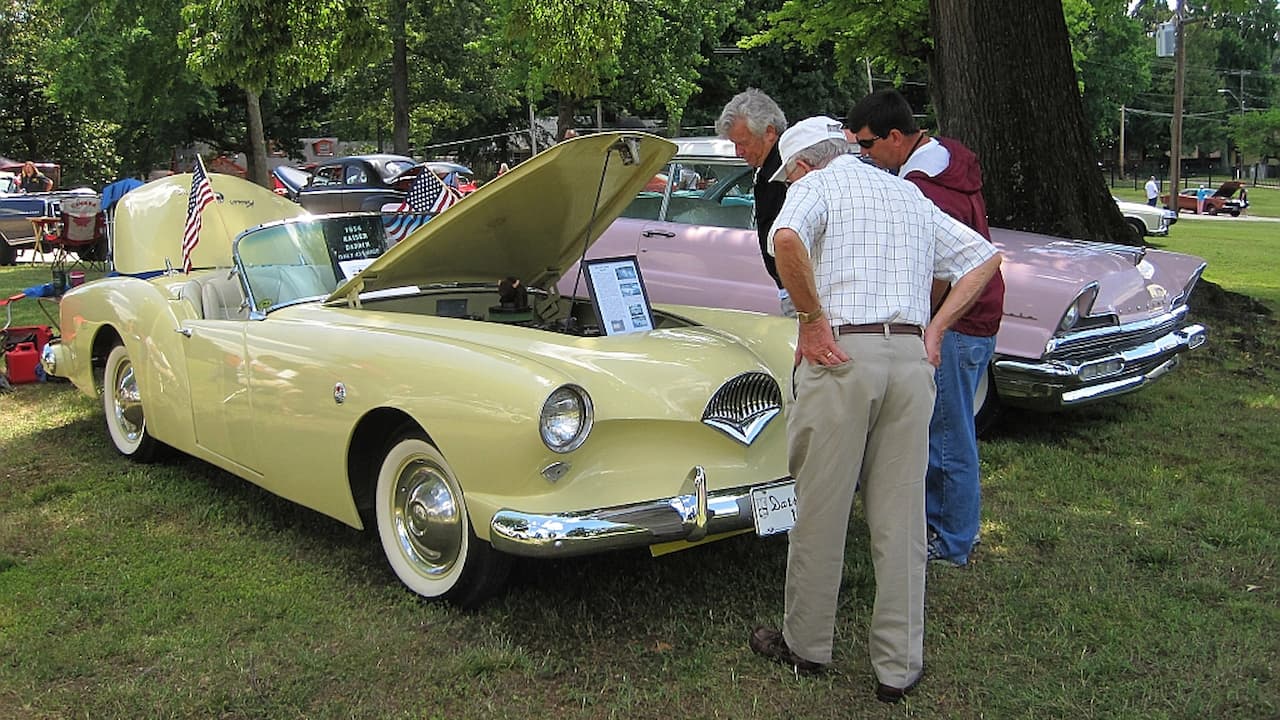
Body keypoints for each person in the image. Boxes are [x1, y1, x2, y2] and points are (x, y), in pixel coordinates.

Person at [747, 116, 1001, 703]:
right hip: (910, 361)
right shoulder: (907, 192)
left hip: (841, 356)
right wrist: (935, 331)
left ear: (804, 165)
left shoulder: (815, 187)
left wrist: (811, 320)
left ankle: (806, 645)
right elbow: (983, 260)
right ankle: (899, 666)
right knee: (902, 514)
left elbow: (785, 241)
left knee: (821, 507)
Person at [847, 89, 1005, 569]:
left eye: (868, 146)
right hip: (979, 317)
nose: (864, 156)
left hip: (955, 323)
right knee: (950, 430)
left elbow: (939, 270)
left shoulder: (922, 186)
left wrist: (926, 325)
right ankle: (953, 529)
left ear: (896, 137)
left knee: (947, 435)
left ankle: (951, 540)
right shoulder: (949, 161)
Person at [716, 89, 794, 316]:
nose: (738, 152)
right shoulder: (770, 168)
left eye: (743, 143)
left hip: (802, 288)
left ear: (769, 132)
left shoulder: (789, 169)